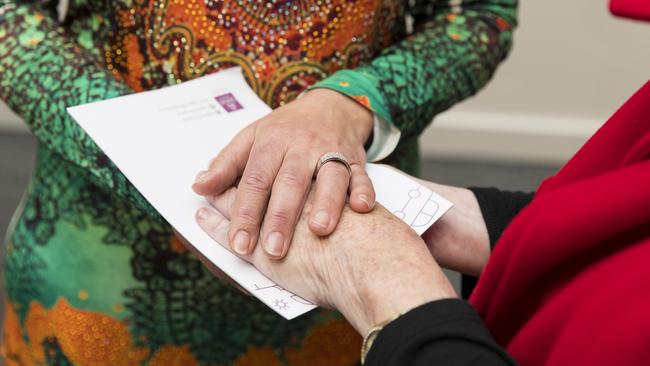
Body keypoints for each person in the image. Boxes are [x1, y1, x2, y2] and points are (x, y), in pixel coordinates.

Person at [0, 1, 517, 365]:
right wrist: (138, 148)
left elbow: (480, 15)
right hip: (104, 277)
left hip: (338, 267)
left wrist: (356, 100)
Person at [195, 3, 650, 364]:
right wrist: (442, 221)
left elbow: (478, 14)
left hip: (353, 226)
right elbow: (628, 207)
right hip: (151, 250)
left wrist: (355, 102)